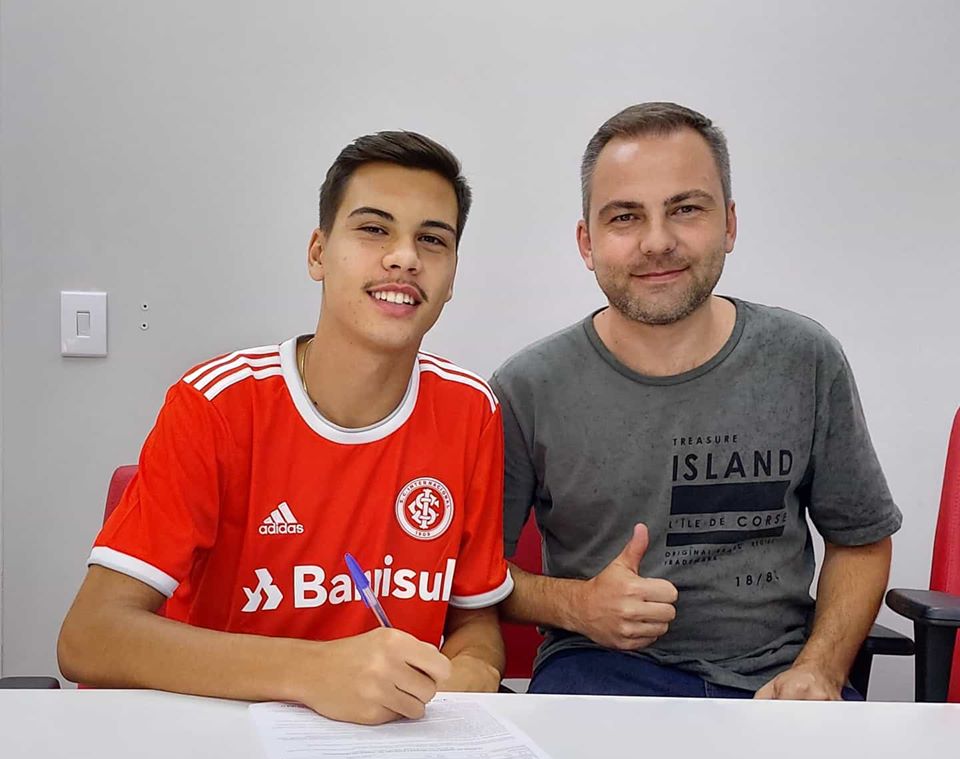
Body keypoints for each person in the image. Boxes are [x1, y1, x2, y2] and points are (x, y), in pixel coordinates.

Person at [59, 131, 513, 723]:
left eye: (432, 239)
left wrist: (477, 666)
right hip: (220, 733)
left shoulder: (470, 410)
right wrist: (314, 673)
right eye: (374, 229)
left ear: (451, 278)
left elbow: (473, 616)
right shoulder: (217, 404)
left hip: (389, 749)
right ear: (318, 254)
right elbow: (90, 637)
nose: (405, 256)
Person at [491, 102, 900, 700]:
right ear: (587, 242)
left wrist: (821, 669)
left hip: (779, 678)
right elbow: (474, 577)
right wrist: (578, 604)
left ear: (729, 223)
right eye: (625, 217)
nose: (657, 242)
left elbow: (860, 540)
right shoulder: (527, 387)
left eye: (685, 209)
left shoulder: (805, 359)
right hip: (598, 675)